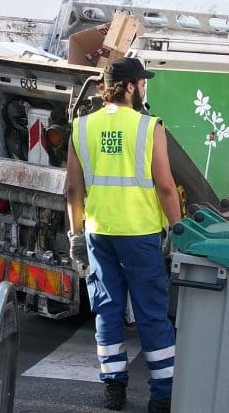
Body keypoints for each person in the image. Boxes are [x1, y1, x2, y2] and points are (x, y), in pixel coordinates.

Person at [66, 57, 181, 413]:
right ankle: (162, 395)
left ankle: (113, 388)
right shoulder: (149, 127)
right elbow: (165, 186)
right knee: (151, 314)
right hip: (140, 234)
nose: (145, 88)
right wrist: (177, 229)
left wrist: (75, 233)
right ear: (130, 86)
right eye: (143, 82)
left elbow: (73, 188)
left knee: (107, 311)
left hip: (99, 234)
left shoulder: (81, 127)